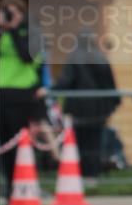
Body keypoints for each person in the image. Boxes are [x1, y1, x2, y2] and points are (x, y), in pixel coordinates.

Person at [51, 34, 119, 185]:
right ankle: (93, 175)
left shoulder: (74, 58)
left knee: (80, 142)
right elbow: (110, 84)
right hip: (98, 109)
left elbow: (65, 81)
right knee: (95, 142)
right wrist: (114, 103)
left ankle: (80, 174)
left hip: (78, 109)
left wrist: (51, 90)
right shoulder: (101, 58)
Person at [0, 0, 45, 199]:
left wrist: (16, 28)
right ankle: (10, 190)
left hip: (22, 96)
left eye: (12, 12)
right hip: (1, 94)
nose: (8, 16)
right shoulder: (2, 33)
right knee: (6, 147)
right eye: (5, 11)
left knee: (21, 147)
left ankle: (25, 189)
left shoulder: (30, 33)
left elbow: (27, 57)